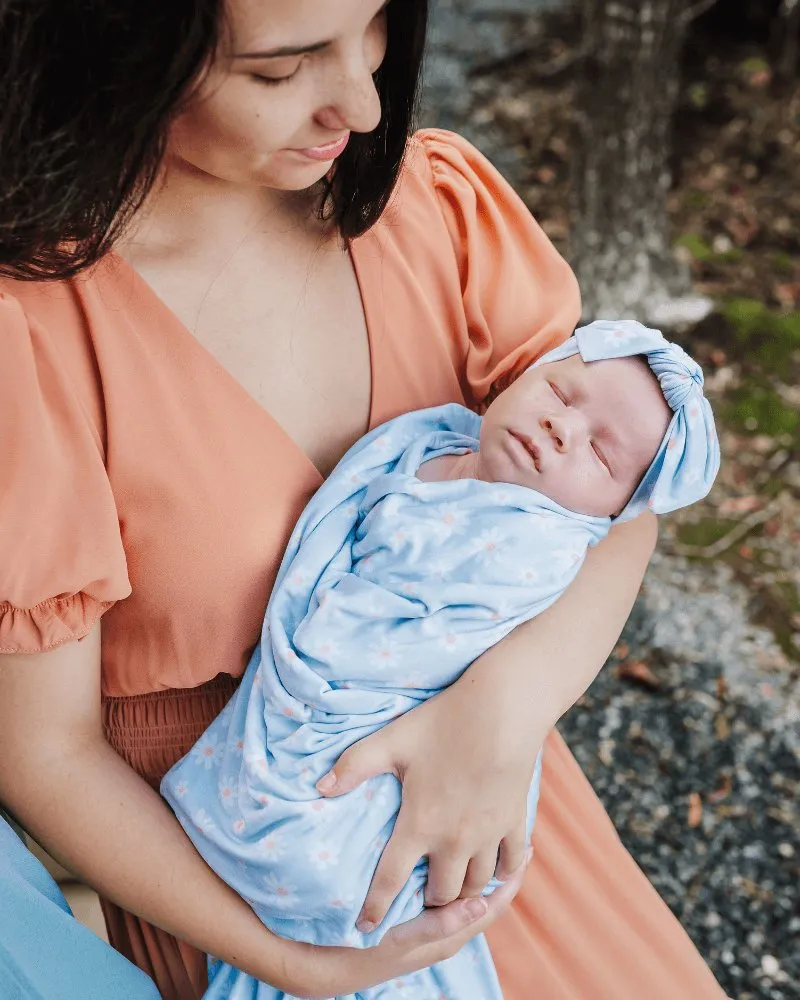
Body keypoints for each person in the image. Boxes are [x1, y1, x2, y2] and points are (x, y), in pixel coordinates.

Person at [0, 2, 727, 998]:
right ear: (116, 50)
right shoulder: (31, 336)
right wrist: (300, 962)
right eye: (279, 68)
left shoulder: (432, 204)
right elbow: (45, 751)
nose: (362, 100)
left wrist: (502, 706)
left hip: (491, 807)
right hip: (246, 882)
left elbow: (618, 500)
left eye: (376, 25)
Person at [162, 321, 720, 999]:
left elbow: (410, 642)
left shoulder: (537, 547)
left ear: (608, 512)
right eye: (561, 392)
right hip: (219, 822)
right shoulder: (427, 445)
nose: (563, 427)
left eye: (600, 455)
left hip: (442, 777)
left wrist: (498, 704)